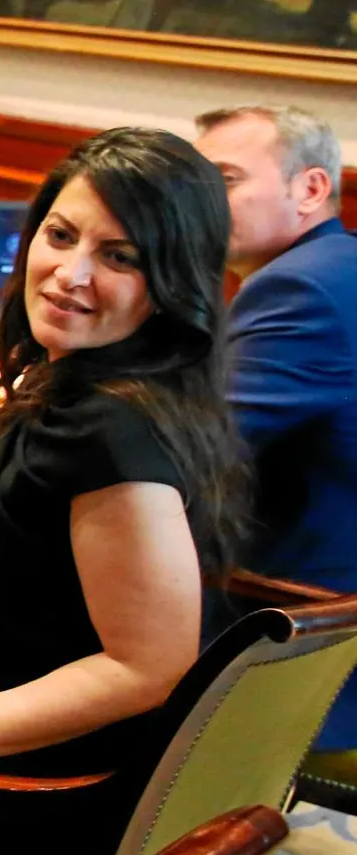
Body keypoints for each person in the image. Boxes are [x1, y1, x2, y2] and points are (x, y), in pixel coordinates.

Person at [0, 127, 247, 855]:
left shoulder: (113, 430)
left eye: (120, 256)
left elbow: (147, 666)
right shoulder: (79, 374)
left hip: (28, 784)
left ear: (171, 279)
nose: (71, 274)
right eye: (61, 235)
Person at [193, 104, 357, 751]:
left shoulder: (300, 290)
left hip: (300, 632)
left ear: (310, 188)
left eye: (225, 181)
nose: (200, 203)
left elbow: (192, 451)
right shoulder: (335, 265)